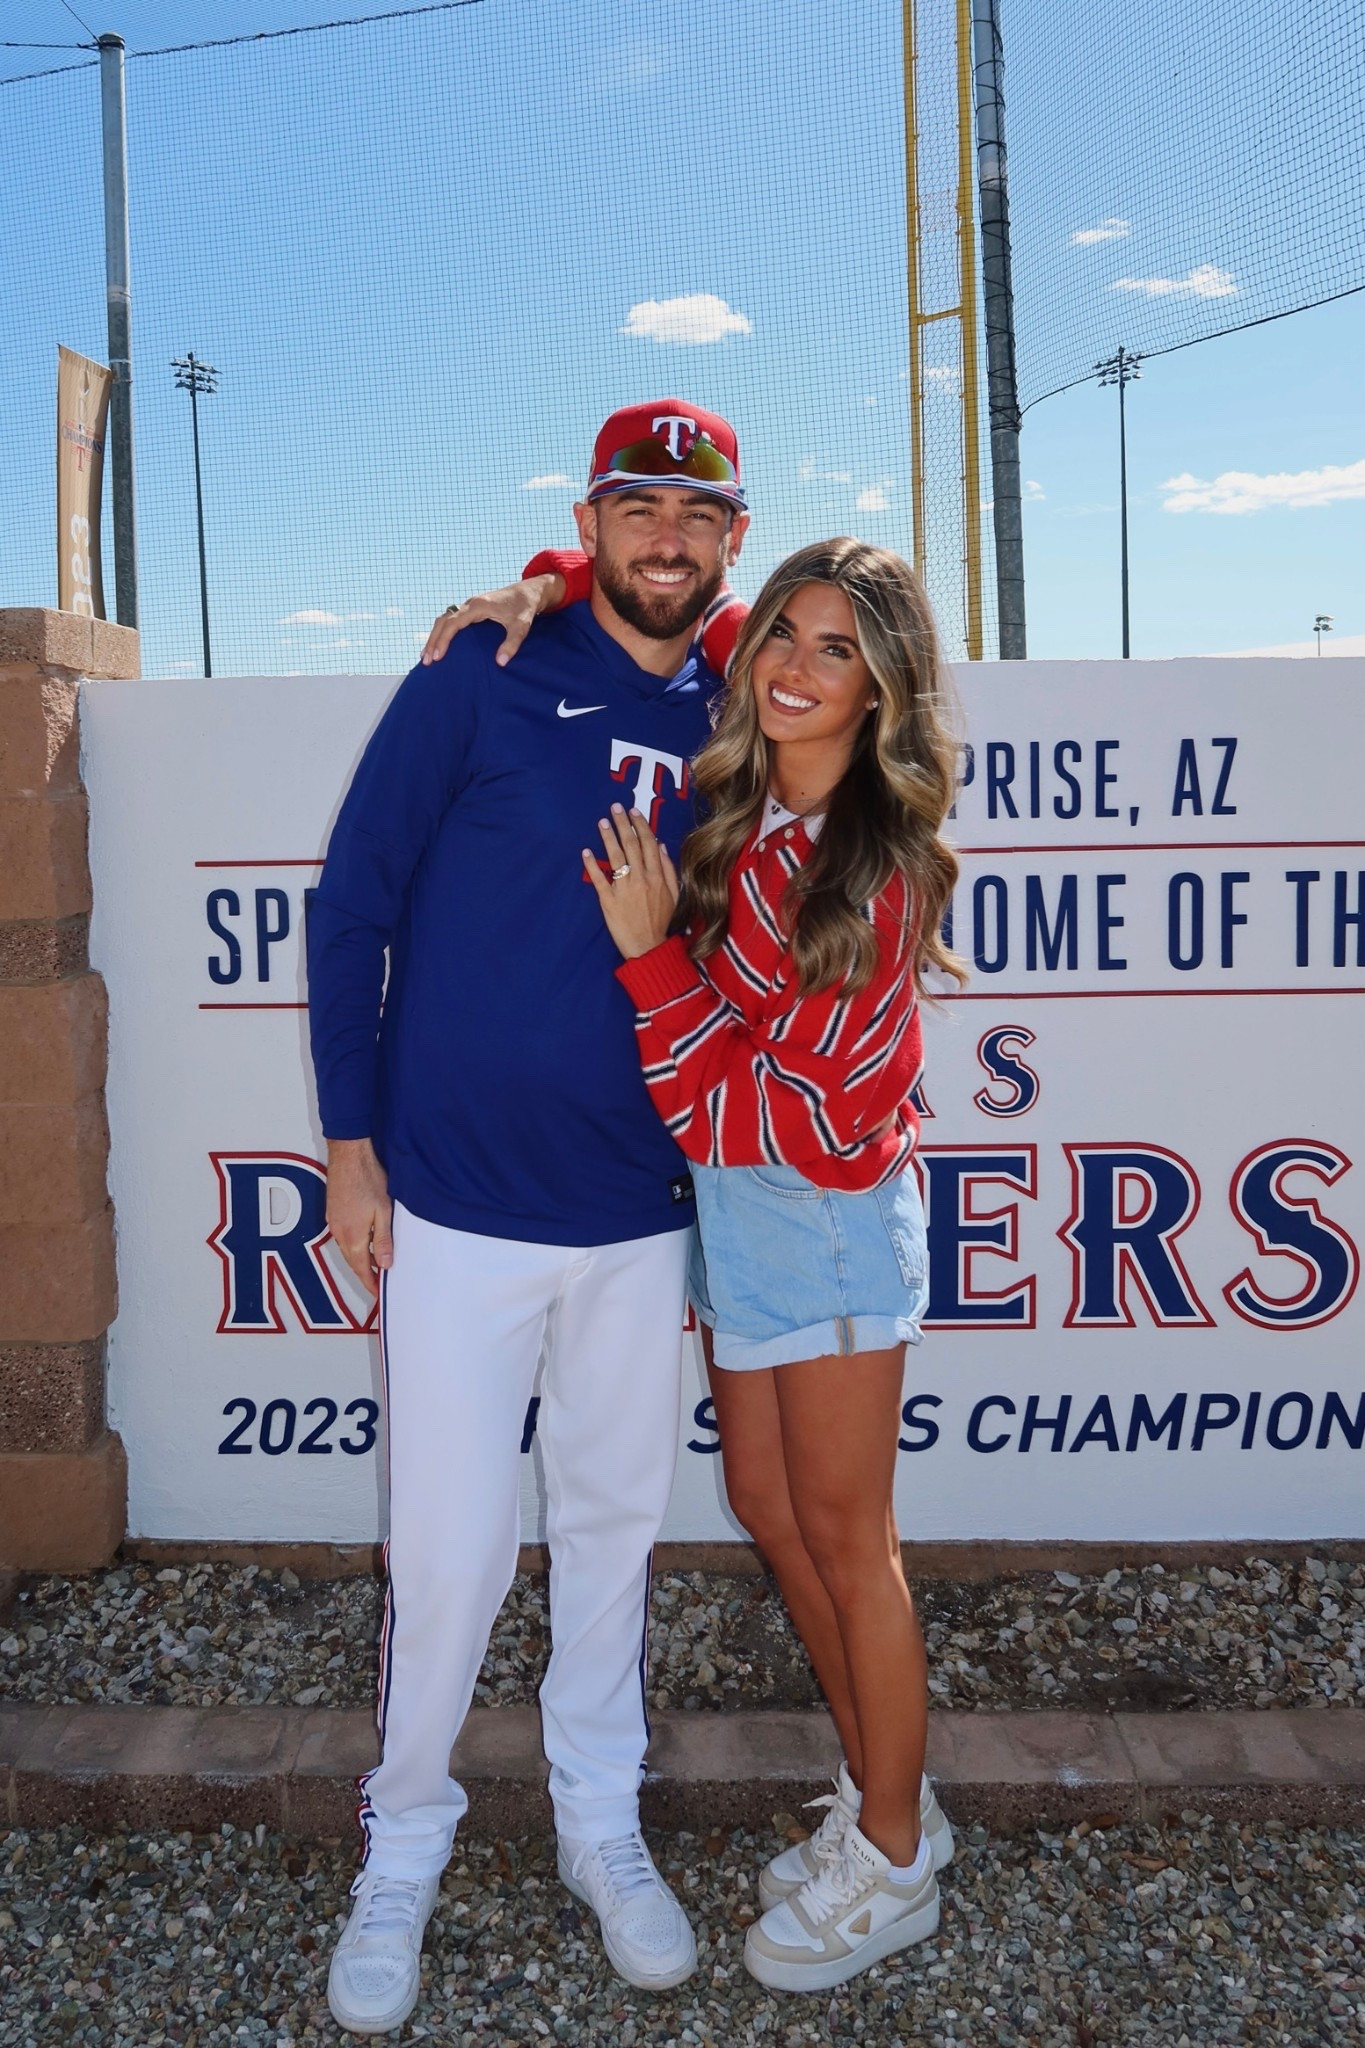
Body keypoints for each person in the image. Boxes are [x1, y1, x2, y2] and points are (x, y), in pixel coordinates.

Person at [306, 400, 749, 2034]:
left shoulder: (743, 700)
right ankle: (401, 1844)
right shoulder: (482, 671)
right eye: (634, 509)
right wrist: (351, 1144)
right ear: (590, 516)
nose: (663, 540)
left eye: (694, 518)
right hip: (464, 1208)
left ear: (730, 541)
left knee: (617, 1529)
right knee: (446, 1547)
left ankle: (596, 1824)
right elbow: (355, 903)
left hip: (639, 1211)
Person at [578, 537, 965, 1991]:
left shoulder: (872, 871)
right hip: (738, 1218)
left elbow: (755, 1108)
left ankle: (896, 1857)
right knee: (764, 1504)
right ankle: (885, 1794)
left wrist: (645, 962)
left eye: (838, 651)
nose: (798, 668)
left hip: (827, 1218)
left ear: (882, 689)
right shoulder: (736, 806)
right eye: (784, 639)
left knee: (848, 1542)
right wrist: (542, 580)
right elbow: (639, 579)